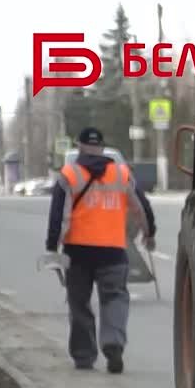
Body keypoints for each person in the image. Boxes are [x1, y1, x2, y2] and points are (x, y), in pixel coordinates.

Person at [45, 127, 157, 374]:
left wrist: (53, 248)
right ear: (102, 147)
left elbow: (58, 217)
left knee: (79, 304)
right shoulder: (121, 173)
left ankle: (84, 356)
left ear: (80, 146)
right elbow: (141, 207)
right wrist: (149, 234)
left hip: (78, 253)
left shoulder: (69, 175)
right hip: (114, 252)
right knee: (115, 299)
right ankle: (113, 344)